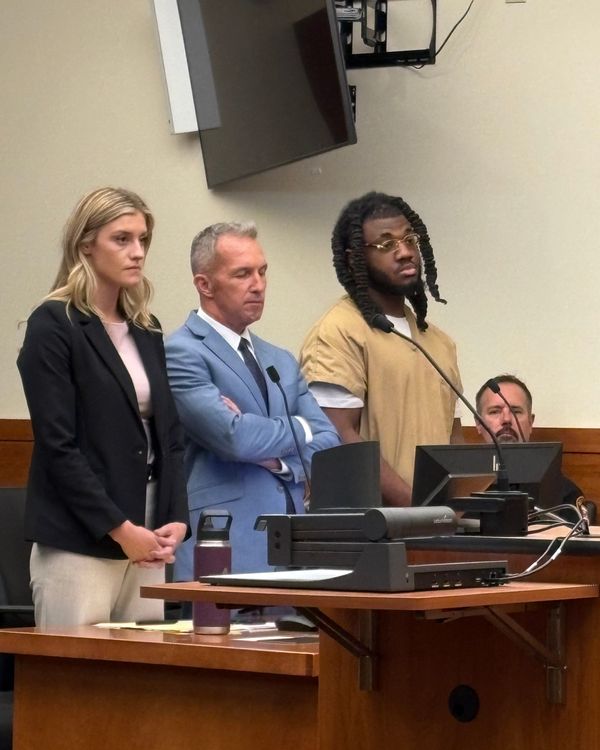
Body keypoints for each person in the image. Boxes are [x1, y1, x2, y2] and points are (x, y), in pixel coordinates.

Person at [17, 187, 189, 628]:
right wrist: (120, 528)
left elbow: (169, 438)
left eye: (144, 240)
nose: (138, 252)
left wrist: (176, 518)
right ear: (86, 244)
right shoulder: (53, 325)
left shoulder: (146, 328)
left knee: (142, 687)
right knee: (76, 688)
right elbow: (59, 446)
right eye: (122, 239)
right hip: (81, 539)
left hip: (148, 536)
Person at [165, 222, 340, 579]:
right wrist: (300, 429)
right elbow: (234, 438)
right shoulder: (181, 352)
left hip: (294, 544)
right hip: (225, 545)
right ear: (205, 284)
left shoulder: (281, 360)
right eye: (242, 274)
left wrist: (276, 460)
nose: (258, 285)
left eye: (262, 272)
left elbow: (328, 442)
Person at [300, 190, 462, 507]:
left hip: (435, 529)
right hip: (370, 534)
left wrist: (464, 512)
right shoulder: (338, 331)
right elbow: (338, 438)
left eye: (409, 240)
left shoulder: (439, 343)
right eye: (386, 244)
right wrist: (418, 508)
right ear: (353, 258)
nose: (404, 252)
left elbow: (454, 439)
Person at [474, 374, 584, 509]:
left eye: (516, 411)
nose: (507, 419)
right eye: (495, 411)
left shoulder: (564, 495)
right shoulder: (459, 491)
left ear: (531, 422)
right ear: (478, 423)